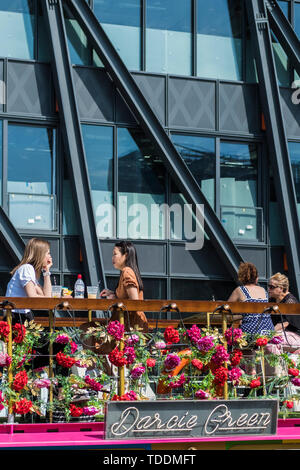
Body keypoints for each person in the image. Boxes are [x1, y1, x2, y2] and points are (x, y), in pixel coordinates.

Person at [100, 241, 148, 333]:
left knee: (89, 330)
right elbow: (127, 297)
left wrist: (115, 299)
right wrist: (113, 294)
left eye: (115, 254)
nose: (112, 258)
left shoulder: (127, 272)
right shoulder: (126, 271)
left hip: (132, 327)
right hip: (128, 324)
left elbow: (135, 302)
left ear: (125, 255)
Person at [6, 237, 52, 322]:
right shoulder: (27, 268)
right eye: (48, 253)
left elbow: (47, 297)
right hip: (15, 316)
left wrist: (46, 271)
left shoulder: (30, 271)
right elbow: (33, 296)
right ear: (40, 254)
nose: (50, 257)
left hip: (21, 315)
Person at [227, 262, 274, 336]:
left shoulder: (240, 290)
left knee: (229, 339)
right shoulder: (263, 290)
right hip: (269, 330)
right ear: (256, 278)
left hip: (252, 330)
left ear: (241, 277)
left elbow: (226, 308)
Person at [268, 272, 300, 352]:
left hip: (293, 335)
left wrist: (267, 334)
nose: (268, 289)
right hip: (280, 333)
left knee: (270, 343)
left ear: (281, 288)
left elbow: (284, 324)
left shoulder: (290, 301)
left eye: (272, 287)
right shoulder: (272, 299)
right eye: (268, 286)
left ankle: (278, 364)